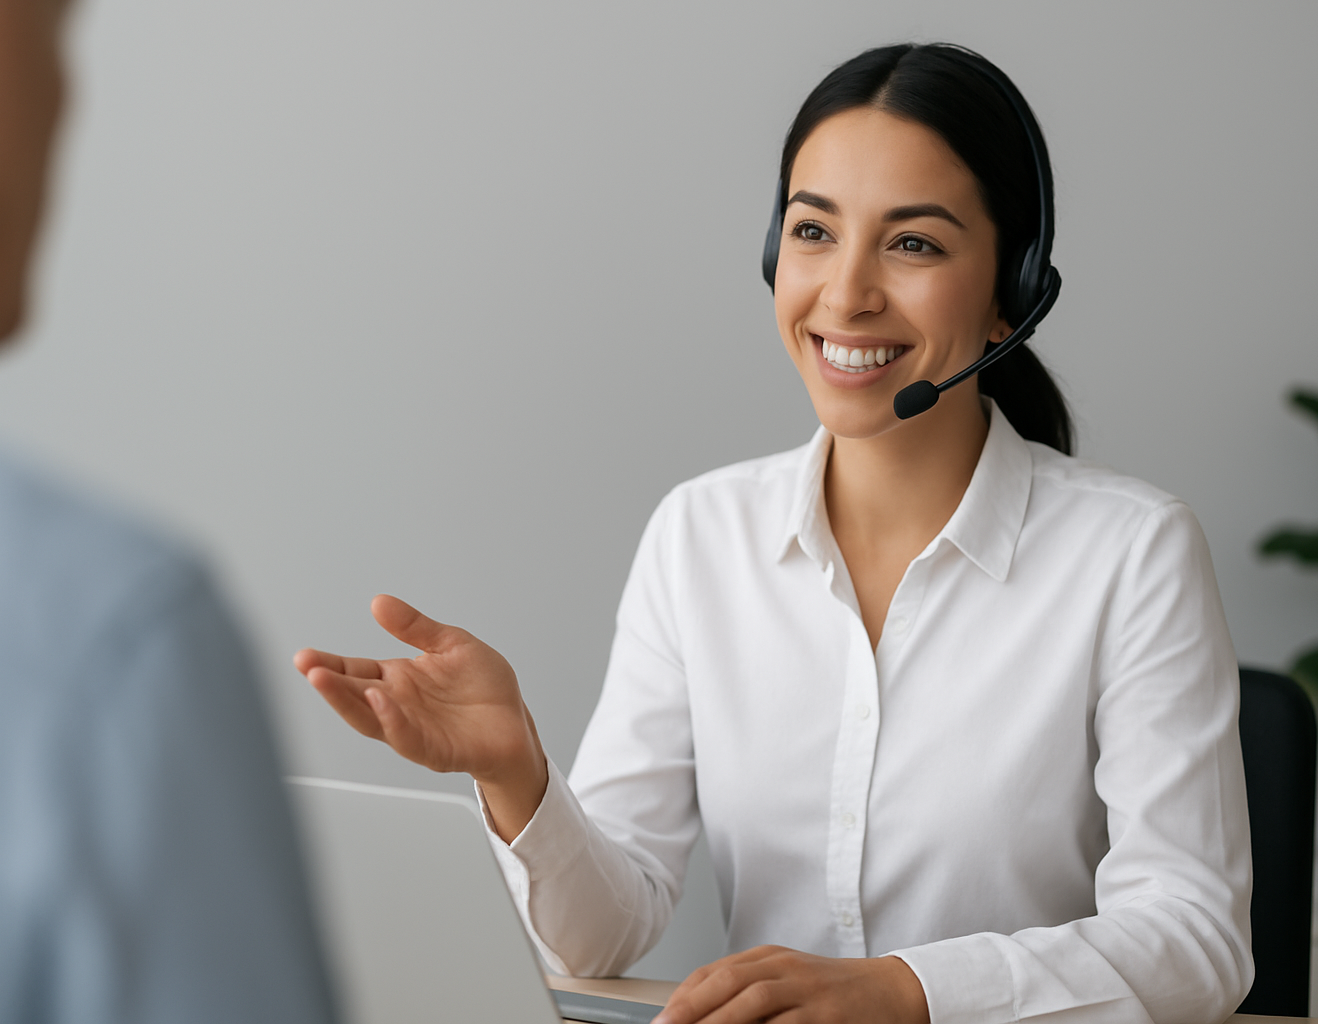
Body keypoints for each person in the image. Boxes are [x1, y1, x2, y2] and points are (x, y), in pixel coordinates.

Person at [299, 43, 1253, 1024]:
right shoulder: (699, 536)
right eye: (813, 232)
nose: (846, 295)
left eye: (913, 243)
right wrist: (518, 776)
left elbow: (1193, 939)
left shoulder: (1132, 554)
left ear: (1012, 287)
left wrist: (903, 992)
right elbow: (601, 933)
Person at [0, 2, 338, 1021]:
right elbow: (612, 923)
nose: (66, 95)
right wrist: (519, 787)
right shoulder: (114, 645)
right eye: (51, 30)